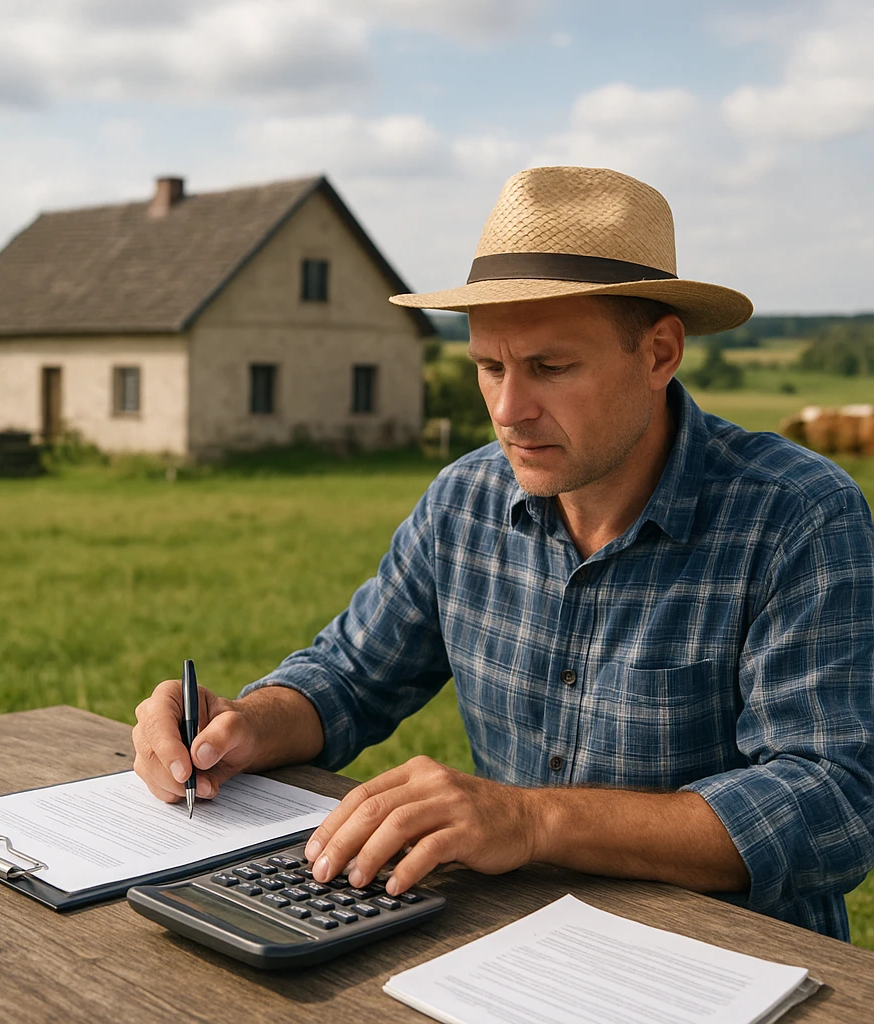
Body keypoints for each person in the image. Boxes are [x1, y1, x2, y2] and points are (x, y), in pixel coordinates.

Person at [133, 166, 874, 940]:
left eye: (551, 367)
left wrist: (532, 820)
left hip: (732, 967)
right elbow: (349, 676)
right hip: (514, 948)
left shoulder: (797, 518)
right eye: (490, 367)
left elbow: (833, 805)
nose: (509, 412)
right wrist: (242, 725)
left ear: (659, 353)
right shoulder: (464, 501)